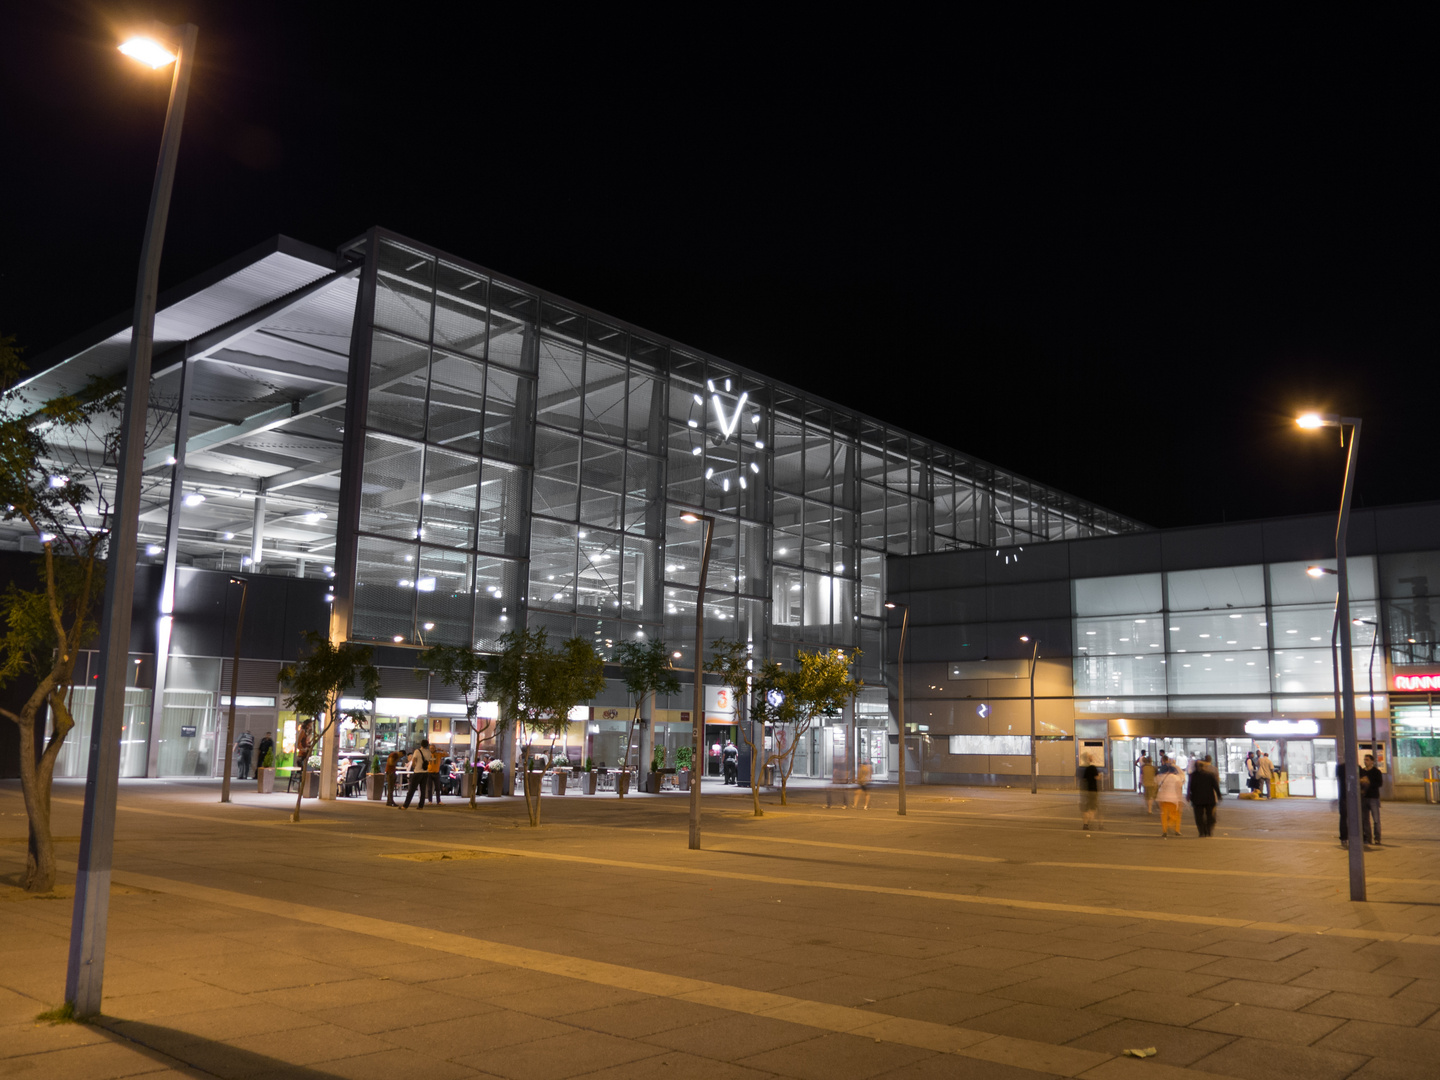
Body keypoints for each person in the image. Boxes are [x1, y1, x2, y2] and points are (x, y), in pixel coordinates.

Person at [1187, 755, 1221, 837]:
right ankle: (1208, 830)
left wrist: (1189, 796)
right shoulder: (1210, 775)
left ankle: (1201, 831)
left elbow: (1190, 787)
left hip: (1197, 799)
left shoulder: (1193, 776)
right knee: (1210, 815)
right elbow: (1215, 786)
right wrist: (1219, 795)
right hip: (1209, 799)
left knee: (1199, 816)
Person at [1156, 754, 1185, 838]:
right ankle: (1176, 829)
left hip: (1163, 799)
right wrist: (1180, 799)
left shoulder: (1161, 777)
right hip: (1173, 799)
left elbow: (1156, 782)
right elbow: (1179, 787)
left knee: (1164, 815)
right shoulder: (1176, 778)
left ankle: (1164, 831)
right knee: (1175, 815)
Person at [403, 739, 435, 808]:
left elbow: (413, 761)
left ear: (421, 744)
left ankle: (405, 805)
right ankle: (421, 806)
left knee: (412, 789)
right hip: (425, 772)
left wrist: (415, 767)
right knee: (423, 790)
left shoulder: (417, 751)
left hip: (417, 772)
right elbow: (430, 761)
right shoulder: (429, 752)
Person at [1360, 753, 1383, 846]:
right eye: (1365, 760)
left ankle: (1377, 838)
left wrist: (1368, 782)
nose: (1365, 762)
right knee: (1365, 819)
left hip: (1373, 798)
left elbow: (1379, 784)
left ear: (1372, 761)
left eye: (1367, 760)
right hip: (1364, 798)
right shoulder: (1362, 771)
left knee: (1376, 819)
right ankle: (1368, 838)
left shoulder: (1376, 772)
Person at [1079, 754, 1100, 830]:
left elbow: (1083, 779)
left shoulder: (1082, 768)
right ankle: (1090, 821)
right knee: (1093, 808)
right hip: (1093, 790)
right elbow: (1097, 777)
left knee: (1085, 808)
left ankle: (1085, 823)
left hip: (1085, 791)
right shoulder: (1093, 768)